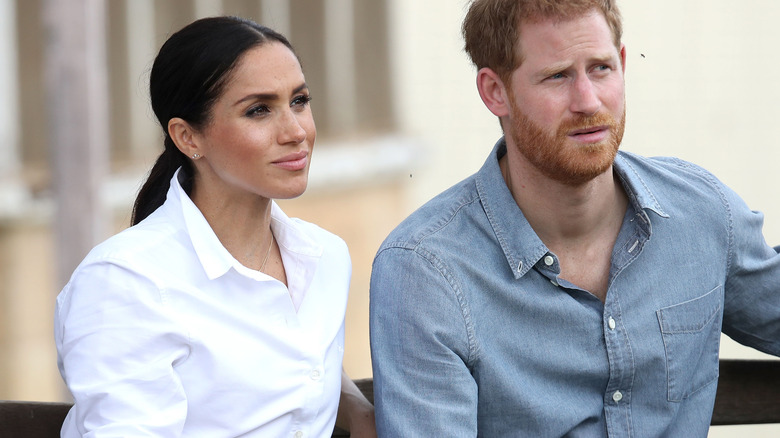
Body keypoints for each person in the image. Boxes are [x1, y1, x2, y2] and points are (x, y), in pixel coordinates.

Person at [369, 0, 780, 436]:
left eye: (601, 68)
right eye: (557, 76)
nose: (588, 101)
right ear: (495, 91)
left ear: (623, 63)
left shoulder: (702, 215)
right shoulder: (425, 273)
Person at [54, 16, 375, 437]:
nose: (296, 131)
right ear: (188, 137)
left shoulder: (325, 256)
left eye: (299, 100)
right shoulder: (125, 283)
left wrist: (358, 410)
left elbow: (295, 362)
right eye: (259, 110)